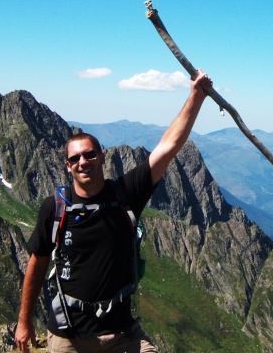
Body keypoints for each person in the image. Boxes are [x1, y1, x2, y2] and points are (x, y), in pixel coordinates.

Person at [15, 70, 212, 353]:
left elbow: (168, 147)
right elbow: (37, 264)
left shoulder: (126, 193)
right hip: (68, 335)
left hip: (122, 333)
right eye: (75, 158)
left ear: (102, 156)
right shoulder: (55, 208)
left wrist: (196, 96)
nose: (83, 161)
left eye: (89, 154)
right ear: (67, 166)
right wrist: (24, 321)